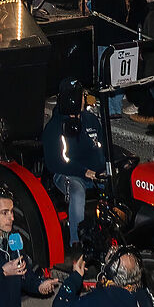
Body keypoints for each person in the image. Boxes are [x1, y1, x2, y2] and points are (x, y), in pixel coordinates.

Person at [40, 87, 108, 249]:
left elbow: (102, 146)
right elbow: (56, 162)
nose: (85, 98)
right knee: (77, 191)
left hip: (96, 172)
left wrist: (105, 167)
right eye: (83, 96)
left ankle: (111, 233)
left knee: (118, 185)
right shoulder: (55, 127)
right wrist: (84, 171)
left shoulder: (91, 120)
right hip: (68, 173)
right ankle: (76, 240)